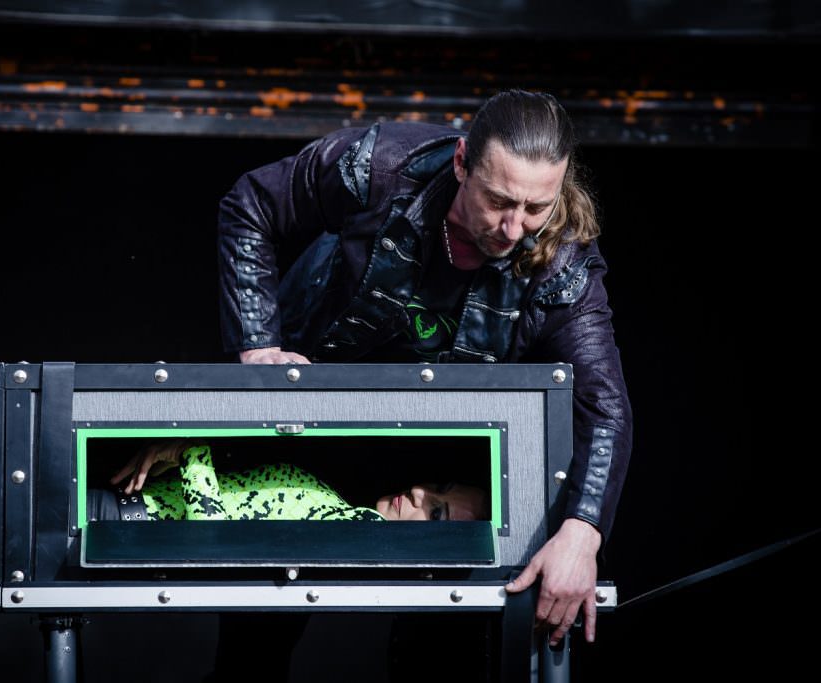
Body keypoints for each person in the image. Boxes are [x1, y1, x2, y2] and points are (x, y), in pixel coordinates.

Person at [217, 87, 633, 656]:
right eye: (498, 200)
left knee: (437, 652)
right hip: (311, 426)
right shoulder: (380, 167)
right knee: (256, 644)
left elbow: (602, 404)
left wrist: (583, 532)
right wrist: (259, 345)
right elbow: (252, 203)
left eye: (536, 207)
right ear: (462, 162)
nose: (514, 228)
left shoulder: (562, 260)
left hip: (435, 464)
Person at [100, 438, 487, 523]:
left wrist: (190, 453)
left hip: (123, 521)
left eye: (436, 513)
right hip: (119, 506)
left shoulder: (363, 532)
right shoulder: (346, 515)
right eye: (439, 487)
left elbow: (213, 543)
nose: (419, 493)